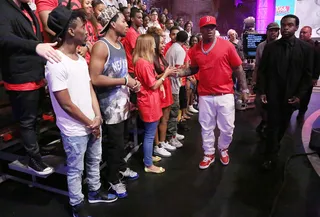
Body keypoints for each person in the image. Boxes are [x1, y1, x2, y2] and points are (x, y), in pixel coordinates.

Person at [45, 6, 118, 217]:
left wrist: (97, 116)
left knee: (95, 160)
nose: (87, 31)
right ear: (70, 31)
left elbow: (89, 89)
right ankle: (77, 203)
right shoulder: (56, 63)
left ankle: (94, 191)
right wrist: (89, 121)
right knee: (76, 170)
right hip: (75, 127)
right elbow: (65, 103)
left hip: (91, 122)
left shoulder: (78, 59)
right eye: (83, 27)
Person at [178, 16, 249, 169]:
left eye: (212, 27)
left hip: (225, 95)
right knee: (206, 127)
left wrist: (244, 88)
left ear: (215, 28)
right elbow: (194, 68)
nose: (209, 30)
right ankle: (208, 153)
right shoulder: (195, 50)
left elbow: (238, 68)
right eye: (206, 27)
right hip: (205, 95)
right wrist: (179, 73)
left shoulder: (227, 46)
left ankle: (223, 149)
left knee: (228, 128)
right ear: (200, 29)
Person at [0, 0, 61, 175]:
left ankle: (37, 152)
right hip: (20, 75)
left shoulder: (25, 8)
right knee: (27, 121)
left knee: (36, 118)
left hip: (35, 73)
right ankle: (34, 160)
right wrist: (36, 47)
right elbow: (5, 38)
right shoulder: (3, 7)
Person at [89, 6, 140, 198]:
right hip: (109, 107)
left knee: (123, 142)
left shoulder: (119, 45)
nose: (127, 24)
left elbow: (121, 72)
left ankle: (121, 167)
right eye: (123, 21)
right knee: (115, 145)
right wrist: (124, 81)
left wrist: (132, 82)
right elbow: (94, 78)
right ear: (112, 23)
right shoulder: (101, 46)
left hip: (123, 104)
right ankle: (113, 180)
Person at [257, 15, 313, 170]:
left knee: (283, 125)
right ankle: (270, 156)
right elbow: (263, 72)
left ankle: (274, 147)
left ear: (296, 27)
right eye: (283, 25)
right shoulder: (271, 47)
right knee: (272, 125)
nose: (286, 28)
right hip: (273, 94)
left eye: (289, 25)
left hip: (291, 96)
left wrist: (299, 96)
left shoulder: (306, 49)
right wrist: (262, 92)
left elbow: (308, 76)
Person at [133, 34, 177, 173]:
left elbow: (150, 81)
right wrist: (165, 75)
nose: (155, 46)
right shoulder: (144, 63)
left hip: (150, 101)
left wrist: (164, 74)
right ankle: (148, 164)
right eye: (152, 44)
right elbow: (152, 85)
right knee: (150, 134)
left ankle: (149, 157)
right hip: (148, 102)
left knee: (150, 132)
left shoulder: (142, 62)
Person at [252, 22, 280, 137]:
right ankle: (265, 121)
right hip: (263, 79)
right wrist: (254, 80)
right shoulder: (261, 46)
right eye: (271, 30)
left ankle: (269, 125)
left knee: (274, 105)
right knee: (259, 102)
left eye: (275, 30)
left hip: (277, 81)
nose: (273, 32)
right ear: (267, 31)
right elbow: (257, 65)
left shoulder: (281, 45)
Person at [165, 31, 189, 148]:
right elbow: (177, 70)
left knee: (173, 110)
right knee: (174, 111)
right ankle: (171, 137)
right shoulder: (180, 50)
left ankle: (173, 133)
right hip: (173, 84)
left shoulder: (172, 48)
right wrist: (186, 70)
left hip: (169, 82)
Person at [297, 26, 320, 122]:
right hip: (296, 76)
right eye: (301, 32)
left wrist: (315, 77)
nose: (302, 34)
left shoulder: (315, 47)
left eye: (304, 32)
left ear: (310, 34)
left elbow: (318, 63)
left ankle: (301, 113)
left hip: (308, 77)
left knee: (305, 97)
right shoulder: (296, 44)